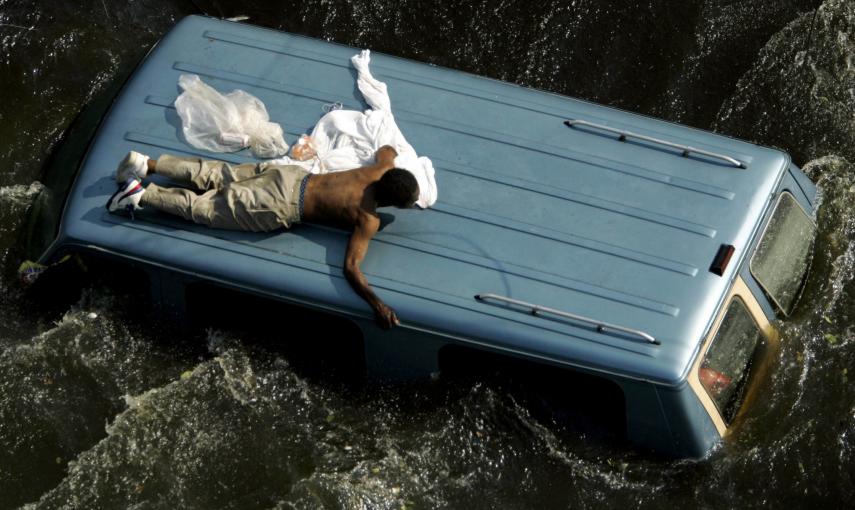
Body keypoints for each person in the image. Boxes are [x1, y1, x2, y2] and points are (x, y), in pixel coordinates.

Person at [106, 146, 419, 329]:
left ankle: (147, 164)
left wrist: (395, 157)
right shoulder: (367, 219)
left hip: (290, 175)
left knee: (219, 173)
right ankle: (141, 196)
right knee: (210, 209)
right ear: (392, 202)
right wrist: (377, 304)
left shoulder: (379, 170)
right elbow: (351, 267)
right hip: (279, 204)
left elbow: (387, 149)